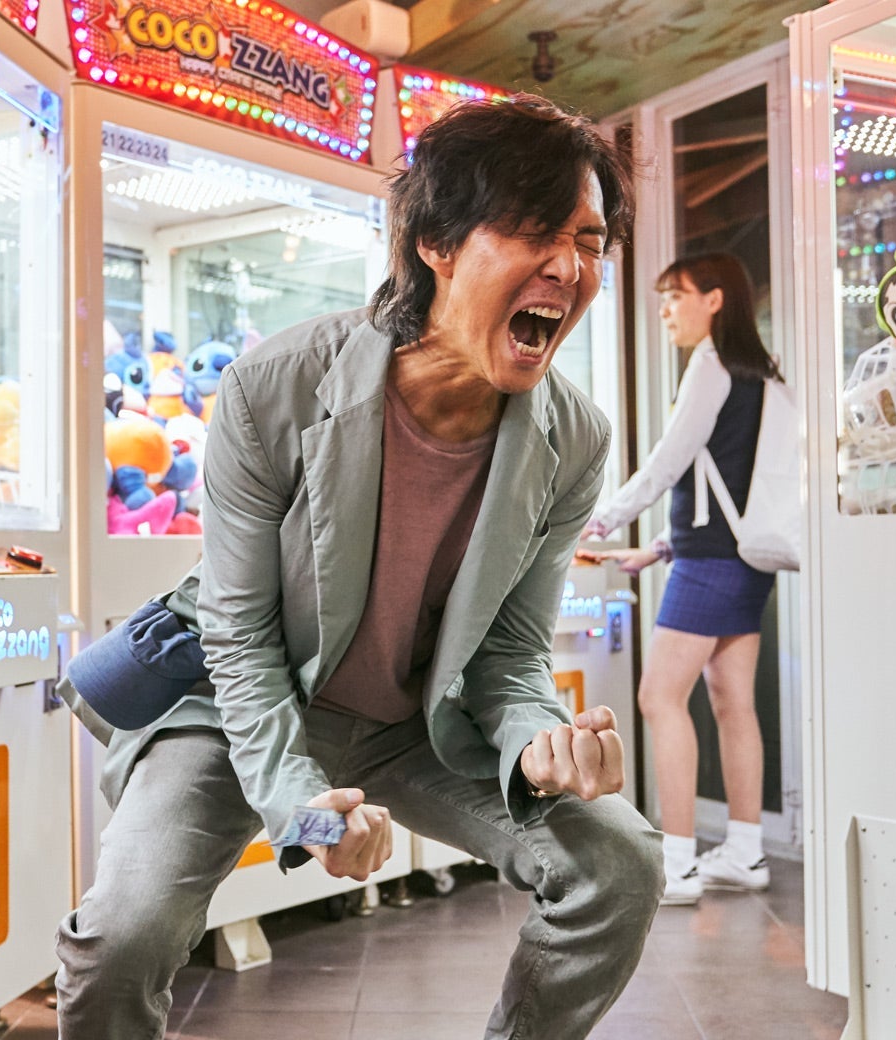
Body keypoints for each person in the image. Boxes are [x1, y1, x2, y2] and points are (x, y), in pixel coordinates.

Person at [55, 95, 665, 1040]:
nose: (570, 267)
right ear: (436, 242)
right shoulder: (275, 386)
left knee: (618, 861)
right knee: (123, 935)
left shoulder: (575, 439)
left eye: (588, 241)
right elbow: (239, 634)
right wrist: (302, 809)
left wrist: (541, 739)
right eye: (535, 231)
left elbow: (510, 652)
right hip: (232, 706)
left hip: (413, 726)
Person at [582, 252, 781, 907]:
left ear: (716, 300)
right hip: (742, 559)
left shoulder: (711, 364)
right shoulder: (763, 373)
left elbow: (670, 461)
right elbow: (725, 481)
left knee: (658, 697)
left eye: (676, 296)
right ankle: (746, 852)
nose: (665, 309)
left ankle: (677, 863)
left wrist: (605, 520)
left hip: (710, 564)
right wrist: (660, 547)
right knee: (732, 703)